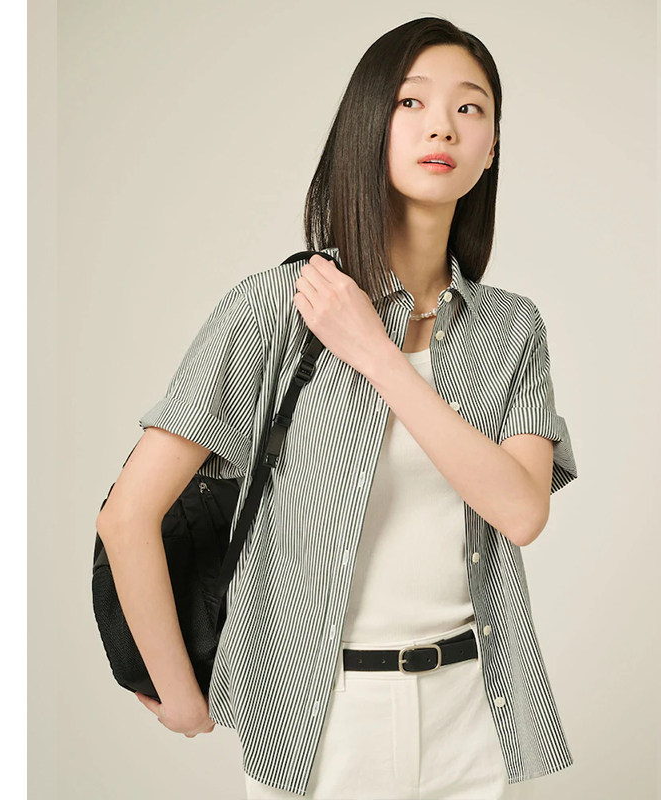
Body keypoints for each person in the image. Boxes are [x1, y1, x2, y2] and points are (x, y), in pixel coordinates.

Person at [96, 16, 578, 800]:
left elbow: (521, 512)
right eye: (411, 102)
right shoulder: (275, 309)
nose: (442, 127)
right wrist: (179, 693)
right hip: (324, 725)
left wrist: (376, 353)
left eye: (470, 107)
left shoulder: (511, 328)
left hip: (471, 718)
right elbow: (127, 515)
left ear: (491, 148)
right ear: (368, 124)